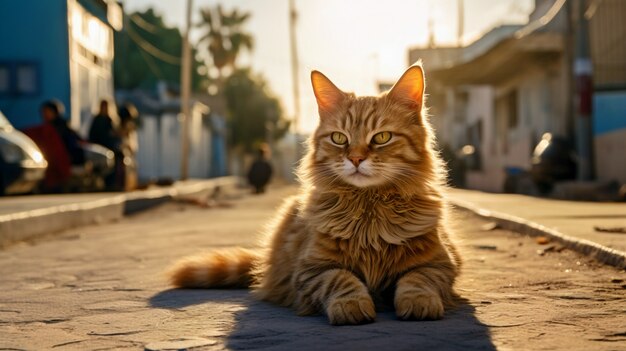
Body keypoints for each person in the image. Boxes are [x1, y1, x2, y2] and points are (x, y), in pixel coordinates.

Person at [22, 100, 85, 192]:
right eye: (43, 112)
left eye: (47, 112)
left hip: (61, 164)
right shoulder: (47, 127)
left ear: (55, 112)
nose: (44, 114)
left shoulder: (59, 128)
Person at [88, 99, 122, 190]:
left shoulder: (111, 120)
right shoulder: (97, 119)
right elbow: (92, 134)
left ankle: (112, 184)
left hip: (110, 147)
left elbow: (115, 135)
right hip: (99, 147)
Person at [117, 103, 139, 191]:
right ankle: (125, 186)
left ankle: (127, 186)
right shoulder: (122, 127)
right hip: (124, 151)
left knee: (129, 169)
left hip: (127, 151)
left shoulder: (128, 127)